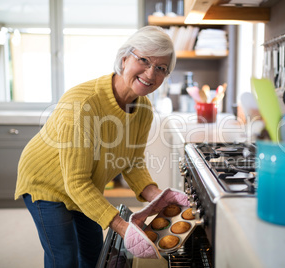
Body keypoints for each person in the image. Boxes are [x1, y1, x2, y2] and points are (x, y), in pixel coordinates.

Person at [14, 26, 188, 267]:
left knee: (95, 253)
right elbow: (75, 182)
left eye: (161, 68)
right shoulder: (82, 105)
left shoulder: (144, 109)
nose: (150, 73)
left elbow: (133, 161)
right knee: (64, 257)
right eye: (144, 61)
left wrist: (156, 196)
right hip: (45, 182)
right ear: (125, 59)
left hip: (84, 185)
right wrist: (122, 226)